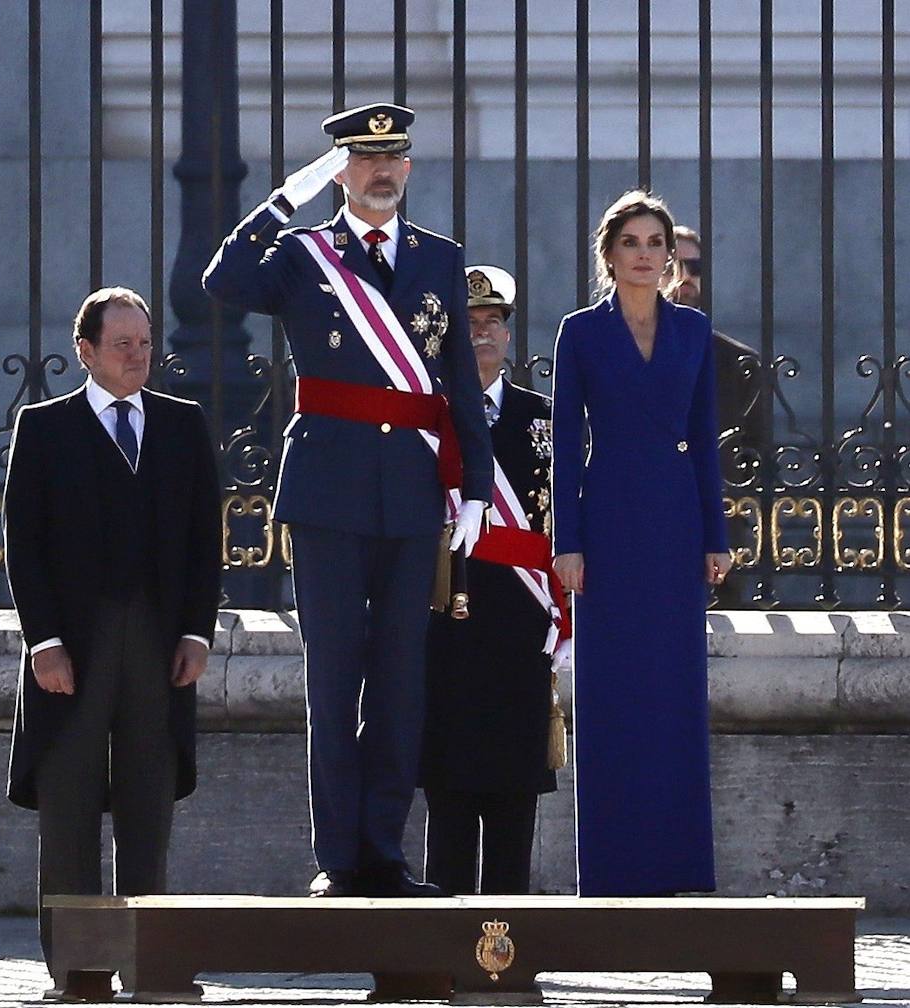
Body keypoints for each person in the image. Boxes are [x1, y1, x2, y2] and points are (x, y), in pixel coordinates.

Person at [203, 103, 494, 898]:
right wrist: (282, 202)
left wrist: (473, 487)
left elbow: (458, 382)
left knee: (401, 680)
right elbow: (219, 282)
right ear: (342, 171)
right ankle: (337, 857)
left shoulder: (439, 258)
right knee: (334, 681)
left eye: (394, 158)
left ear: (409, 167)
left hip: (409, 493)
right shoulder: (303, 255)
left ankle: (385, 854)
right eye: (366, 161)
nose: (382, 172)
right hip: (327, 490)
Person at [2, 287, 222, 992]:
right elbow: (23, 546)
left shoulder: (183, 425)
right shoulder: (44, 428)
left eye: (146, 343)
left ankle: (148, 957)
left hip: (157, 644)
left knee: (146, 801)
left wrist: (196, 631)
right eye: (122, 344)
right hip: (74, 644)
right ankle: (80, 966)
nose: (138, 356)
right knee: (68, 806)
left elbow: (201, 542)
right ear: (86, 352)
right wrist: (44, 641)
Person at [551, 192, 733, 896]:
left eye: (657, 241)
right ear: (609, 253)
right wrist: (569, 540)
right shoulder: (580, 332)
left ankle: (682, 870)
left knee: (675, 696)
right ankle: (610, 872)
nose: (647, 253)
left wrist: (715, 535)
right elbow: (567, 443)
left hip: (677, 522)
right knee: (613, 696)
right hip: (610, 522)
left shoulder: (692, 330)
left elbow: (707, 439)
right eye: (632, 241)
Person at [422, 266, 560, 896]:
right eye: (470, 324)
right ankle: (443, 950)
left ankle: (514, 945)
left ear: (509, 335)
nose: (482, 334)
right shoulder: (428, 417)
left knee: (515, 790)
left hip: (521, 623)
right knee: (448, 792)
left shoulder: (545, 420)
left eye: (492, 323)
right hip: (446, 620)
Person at [666, 225, 768, 450]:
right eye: (671, 268)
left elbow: (759, 455)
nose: (684, 277)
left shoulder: (740, 363)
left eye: (695, 268)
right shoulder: (621, 351)